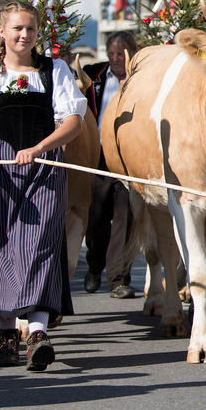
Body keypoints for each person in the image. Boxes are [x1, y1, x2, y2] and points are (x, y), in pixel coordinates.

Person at [0, 1, 87, 371]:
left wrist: (40, 147)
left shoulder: (54, 70)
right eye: (16, 29)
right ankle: (7, 332)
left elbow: (73, 121)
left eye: (30, 29)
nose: (24, 35)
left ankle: (39, 333)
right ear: (2, 32)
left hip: (43, 166)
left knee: (40, 243)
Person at [83, 31, 138, 298]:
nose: (116, 59)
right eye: (112, 54)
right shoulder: (93, 74)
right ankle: (94, 265)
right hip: (99, 157)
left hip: (129, 158)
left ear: (131, 53)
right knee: (96, 219)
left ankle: (118, 278)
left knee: (124, 220)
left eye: (122, 53)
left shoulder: (141, 80)